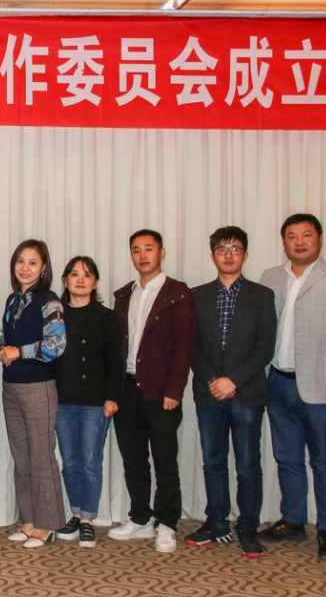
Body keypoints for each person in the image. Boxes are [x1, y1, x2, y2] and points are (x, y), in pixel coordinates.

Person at [259, 213, 326, 564]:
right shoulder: (271, 277)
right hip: (277, 382)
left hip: (321, 385)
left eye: (306, 234)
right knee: (287, 458)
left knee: (324, 460)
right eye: (292, 236)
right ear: (283, 241)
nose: (299, 241)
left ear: (319, 239)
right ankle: (292, 520)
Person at [188, 227, 277, 558]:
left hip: (246, 393)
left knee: (248, 464)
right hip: (209, 392)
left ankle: (248, 526)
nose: (228, 255)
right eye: (222, 249)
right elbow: (191, 345)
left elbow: (265, 347)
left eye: (235, 249)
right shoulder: (196, 296)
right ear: (212, 255)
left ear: (245, 255)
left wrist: (233, 381)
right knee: (213, 462)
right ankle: (217, 521)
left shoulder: (262, 295)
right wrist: (214, 379)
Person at [108, 229, 194, 554]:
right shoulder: (123, 295)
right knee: (134, 460)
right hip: (127, 390)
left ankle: (167, 523)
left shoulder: (177, 293)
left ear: (162, 253)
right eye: (136, 250)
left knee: (165, 461)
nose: (142, 255)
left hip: (161, 393)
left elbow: (184, 347)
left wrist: (175, 390)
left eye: (148, 248)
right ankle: (140, 517)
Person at [0, 240, 67, 549]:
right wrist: (3, 349)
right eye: (20, 261)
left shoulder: (49, 300)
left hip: (39, 387)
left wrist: (19, 351)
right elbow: (5, 337)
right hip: (10, 386)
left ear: (43, 268)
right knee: (22, 457)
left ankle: (47, 524)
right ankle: (29, 519)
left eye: (32, 262)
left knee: (41, 457)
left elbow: (56, 345)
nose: (25, 268)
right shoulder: (13, 299)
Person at [52, 256, 123, 550]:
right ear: (65, 280)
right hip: (62, 401)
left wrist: (112, 397)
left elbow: (115, 361)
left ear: (95, 282)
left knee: (91, 462)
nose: (80, 279)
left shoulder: (107, 317)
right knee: (69, 462)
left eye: (87, 274)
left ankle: (88, 520)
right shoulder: (54, 315)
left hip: (95, 402)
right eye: (75, 274)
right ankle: (76, 512)